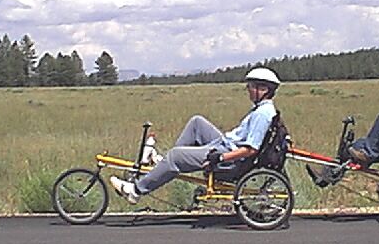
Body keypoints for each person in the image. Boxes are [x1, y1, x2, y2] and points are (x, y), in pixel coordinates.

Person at [109, 67, 281, 204]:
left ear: (263, 89)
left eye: (251, 86)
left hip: (229, 159)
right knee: (197, 123)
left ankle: (135, 191)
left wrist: (220, 158)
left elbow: (251, 149)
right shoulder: (262, 109)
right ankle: (165, 164)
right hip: (225, 145)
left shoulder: (262, 114)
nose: (248, 90)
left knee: (176, 156)